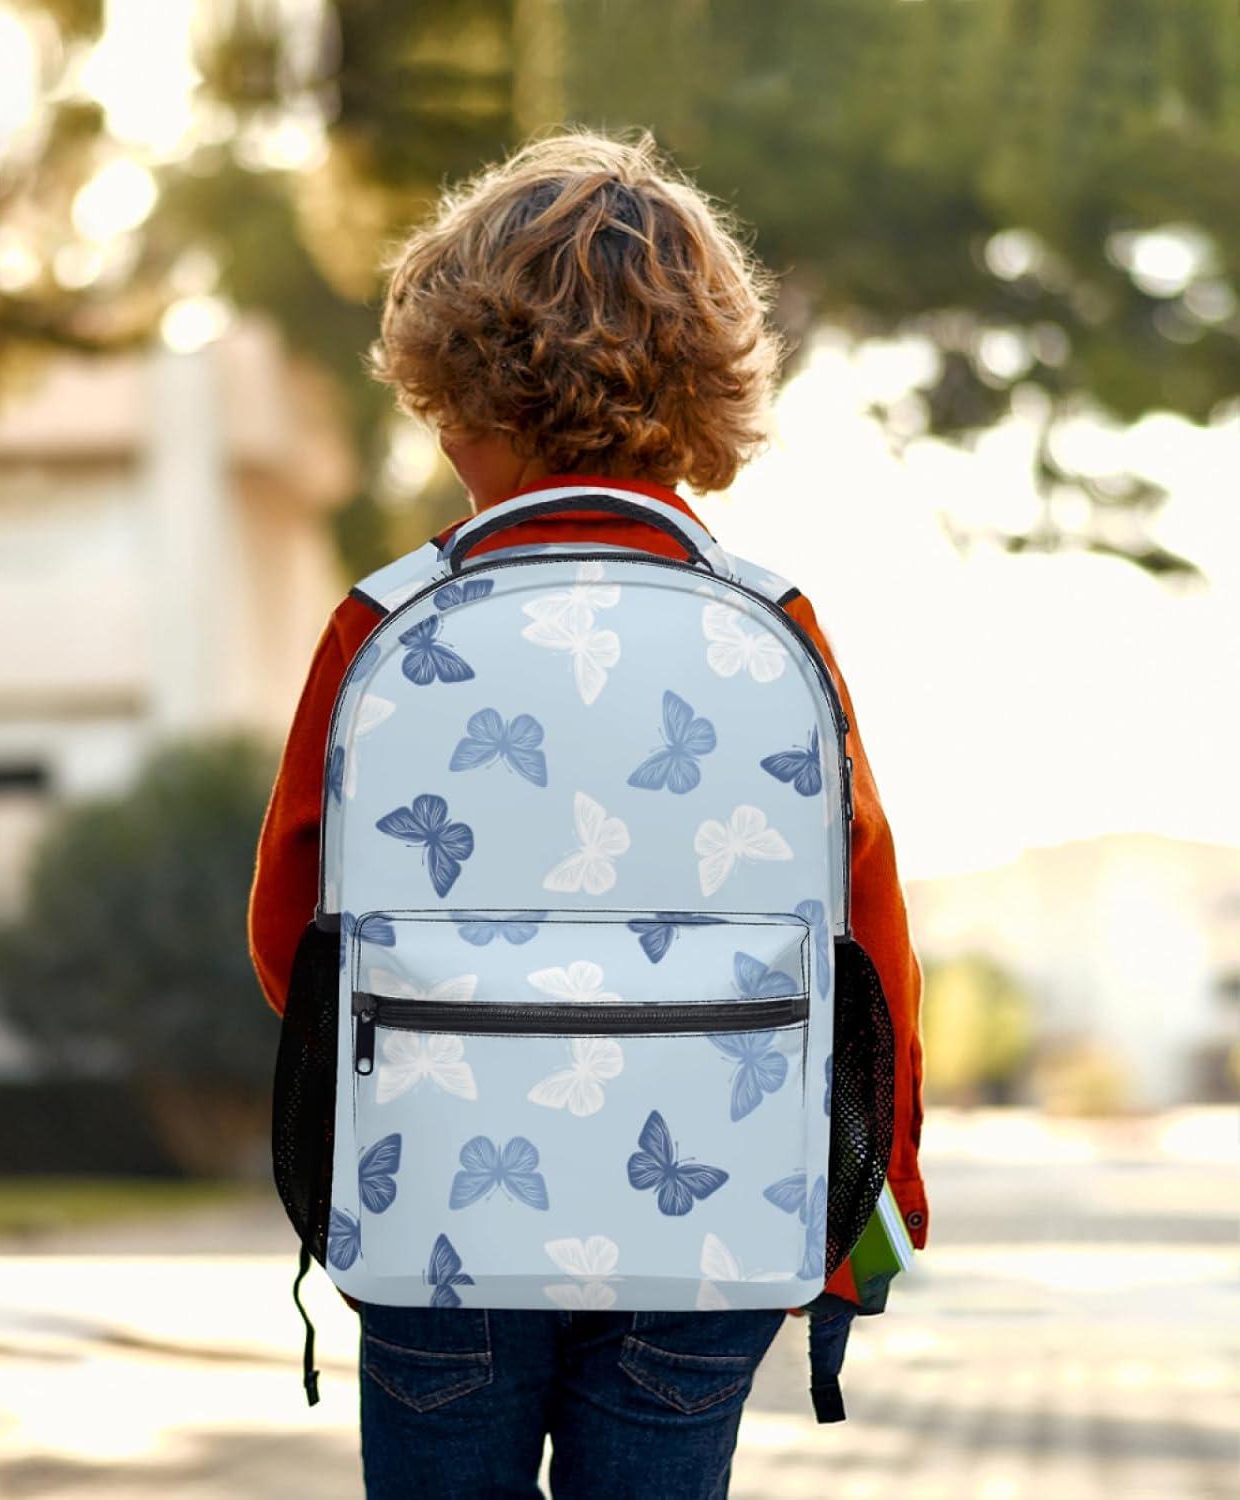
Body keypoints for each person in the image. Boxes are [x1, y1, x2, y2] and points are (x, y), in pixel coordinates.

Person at [249, 127, 927, 1500]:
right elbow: (868, 934)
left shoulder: (386, 621)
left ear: (457, 396)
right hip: (711, 1219)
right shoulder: (773, 625)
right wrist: (878, 1189)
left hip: (441, 1201)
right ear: (708, 392)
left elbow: (288, 932)